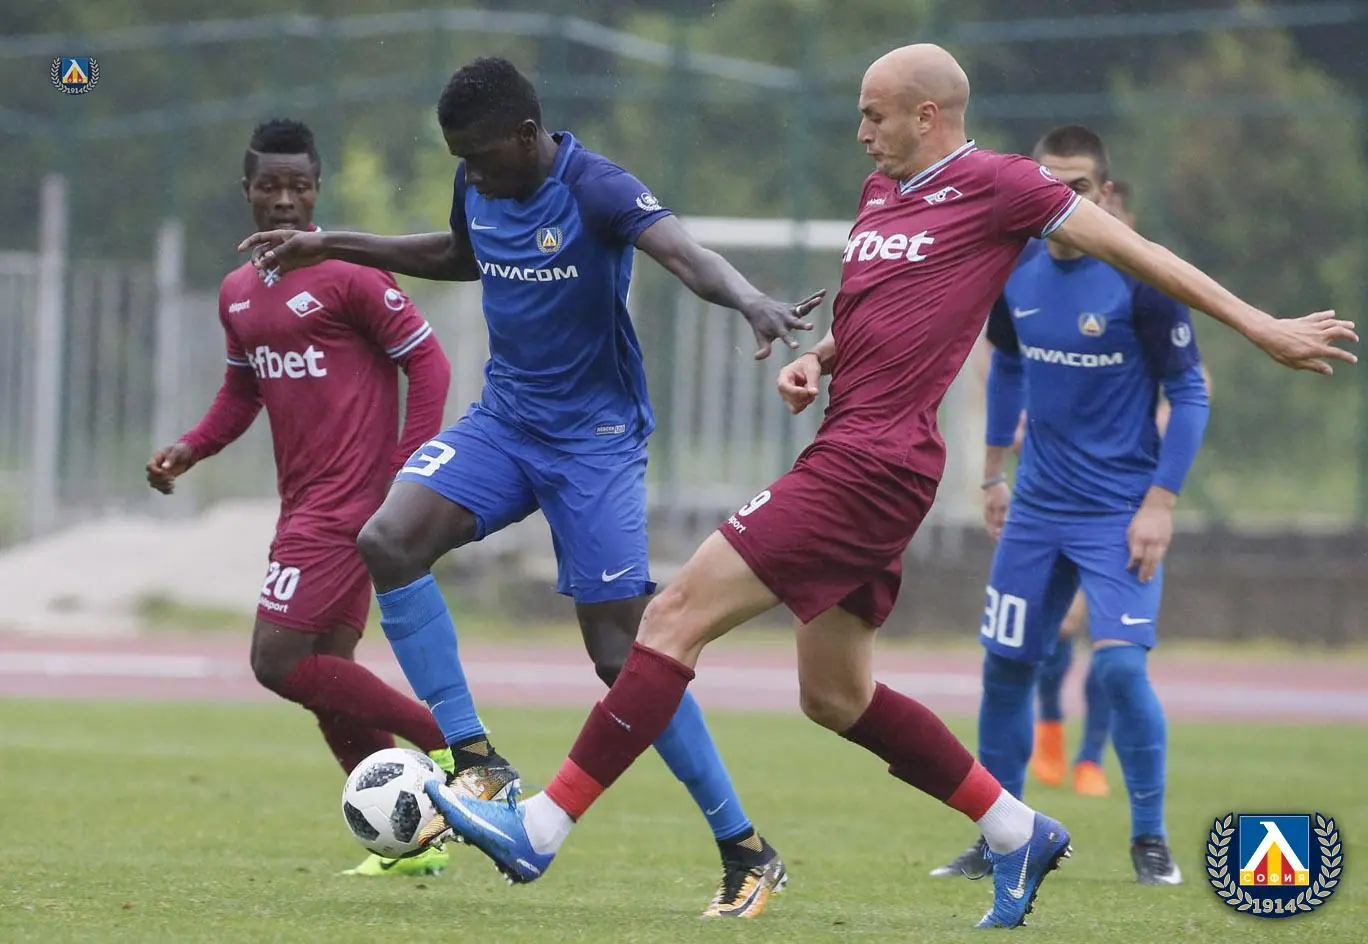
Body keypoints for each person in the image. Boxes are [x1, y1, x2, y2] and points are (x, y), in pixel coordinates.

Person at [421, 45, 1354, 929]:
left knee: (669, 617)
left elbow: (1136, 253)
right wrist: (822, 359)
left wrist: (1259, 325)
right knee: (835, 696)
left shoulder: (1003, 186)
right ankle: (1018, 831)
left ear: (928, 114)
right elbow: (889, 305)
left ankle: (540, 827)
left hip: (873, 465)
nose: (861, 132)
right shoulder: (882, 193)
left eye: (875, 116)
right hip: (859, 449)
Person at [238, 57, 822, 918]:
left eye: (479, 158)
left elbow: (685, 254)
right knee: (388, 541)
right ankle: (476, 759)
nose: (471, 176)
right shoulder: (476, 178)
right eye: (460, 162)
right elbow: (457, 254)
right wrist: (333, 243)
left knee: (623, 655)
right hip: (505, 423)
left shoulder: (596, 188)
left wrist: (749, 301)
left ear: (525, 136)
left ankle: (745, 849)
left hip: (594, 443)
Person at [147, 119, 456, 877]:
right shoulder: (238, 294)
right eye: (270, 186)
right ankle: (413, 847)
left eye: (299, 186)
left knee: (276, 660)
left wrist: (407, 471)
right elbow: (242, 391)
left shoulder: (351, 273)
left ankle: (457, 747)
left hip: (351, 504)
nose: (285, 200)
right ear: (248, 192)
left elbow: (430, 364)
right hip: (305, 502)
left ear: (317, 192)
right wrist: (192, 447)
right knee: (328, 674)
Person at [935, 125, 1214, 887]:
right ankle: (1003, 836)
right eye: (1048, 185)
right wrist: (993, 475)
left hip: (1118, 514)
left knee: (1119, 670)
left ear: (1106, 194)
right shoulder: (1015, 270)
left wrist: (1160, 504)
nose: (1060, 201)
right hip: (1034, 511)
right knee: (1005, 668)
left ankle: (1150, 840)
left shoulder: (1141, 276)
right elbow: (1008, 369)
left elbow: (1189, 393)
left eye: (1078, 188)